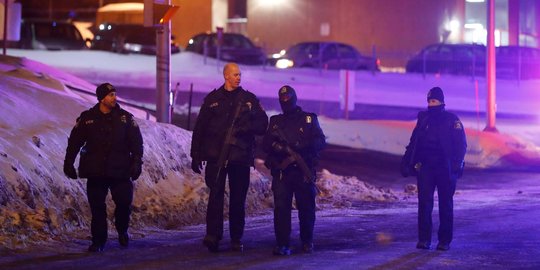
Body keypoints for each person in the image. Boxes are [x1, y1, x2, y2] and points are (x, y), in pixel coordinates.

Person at [190, 62, 268, 253]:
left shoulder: (249, 99)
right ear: (226, 76)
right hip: (216, 156)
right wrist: (196, 154)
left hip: (240, 157)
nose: (238, 78)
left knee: (237, 199)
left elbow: (262, 125)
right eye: (234, 75)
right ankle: (212, 236)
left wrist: (246, 127)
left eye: (240, 74)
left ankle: (236, 237)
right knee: (215, 198)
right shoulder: (213, 99)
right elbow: (200, 127)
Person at [63, 82, 144, 252]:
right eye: (110, 95)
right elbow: (75, 141)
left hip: (120, 170)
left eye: (114, 94)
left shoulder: (125, 118)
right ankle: (98, 241)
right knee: (97, 207)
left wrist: (137, 162)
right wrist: (68, 162)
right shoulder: (87, 118)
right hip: (96, 170)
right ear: (101, 98)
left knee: (123, 203)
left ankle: (122, 230)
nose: (114, 98)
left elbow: (136, 142)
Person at [400, 86, 467, 251]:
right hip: (426, 168)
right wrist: (407, 161)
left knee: (445, 204)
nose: (432, 104)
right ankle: (424, 239)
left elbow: (461, 145)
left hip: (445, 168)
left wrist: (456, 165)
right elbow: (414, 142)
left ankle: (444, 241)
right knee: (424, 204)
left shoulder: (452, 120)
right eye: (429, 101)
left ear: (441, 102)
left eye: (434, 101)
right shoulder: (424, 119)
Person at [262, 85, 326, 256]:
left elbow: (321, 141)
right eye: (282, 100)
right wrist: (278, 147)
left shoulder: (308, 120)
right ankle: (282, 243)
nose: (285, 102)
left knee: (306, 209)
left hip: (302, 172)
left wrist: (303, 146)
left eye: (288, 99)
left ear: (294, 98)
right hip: (283, 173)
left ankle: (307, 241)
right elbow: (265, 144)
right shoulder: (275, 122)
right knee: (281, 210)